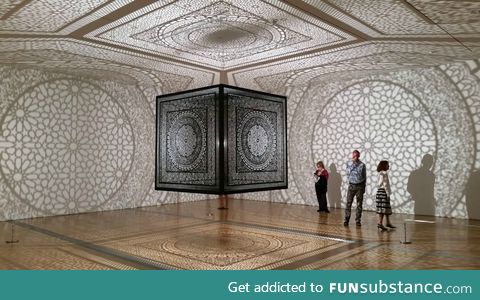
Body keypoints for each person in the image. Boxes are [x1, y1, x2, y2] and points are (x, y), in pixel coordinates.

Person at [344, 150, 366, 226]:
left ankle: (358, 220)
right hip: (351, 185)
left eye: (356, 156)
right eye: (354, 156)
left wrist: (363, 188)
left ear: (359, 156)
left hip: (359, 186)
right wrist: (353, 164)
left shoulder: (362, 165)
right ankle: (346, 219)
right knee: (348, 203)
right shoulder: (348, 163)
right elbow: (347, 173)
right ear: (352, 155)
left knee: (359, 204)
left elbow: (364, 177)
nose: (355, 157)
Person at [376, 160, 395, 231]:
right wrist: (387, 193)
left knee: (385, 207)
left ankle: (387, 222)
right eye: (387, 165)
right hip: (383, 192)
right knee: (383, 208)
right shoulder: (384, 173)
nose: (388, 166)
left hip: (379, 192)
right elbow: (385, 184)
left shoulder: (380, 173)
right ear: (384, 166)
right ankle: (380, 223)